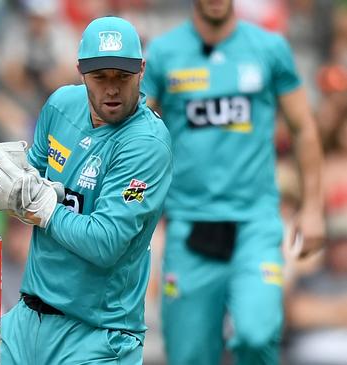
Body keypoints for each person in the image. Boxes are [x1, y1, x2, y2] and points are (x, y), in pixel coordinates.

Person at [0, 16, 173, 364]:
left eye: (122, 77)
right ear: (80, 71)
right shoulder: (61, 105)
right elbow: (32, 184)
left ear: (141, 70)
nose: (112, 89)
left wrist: (44, 206)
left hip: (97, 335)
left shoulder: (146, 144)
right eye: (100, 77)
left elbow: (106, 242)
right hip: (27, 320)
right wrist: (14, 193)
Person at [142, 1, 325, 364]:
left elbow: (304, 128)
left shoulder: (269, 48)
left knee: (256, 335)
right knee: (188, 355)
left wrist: (313, 208)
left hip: (254, 224)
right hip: (189, 227)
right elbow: (135, 134)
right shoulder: (163, 54)